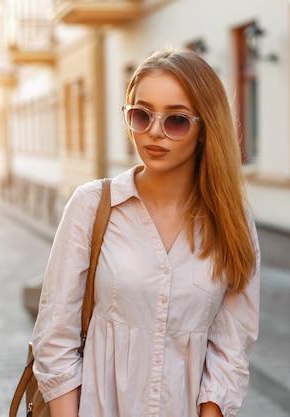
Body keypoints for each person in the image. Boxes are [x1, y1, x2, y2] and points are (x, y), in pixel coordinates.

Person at [32, 47, 260, 417]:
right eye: (141, 115)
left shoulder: (233, 222)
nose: (154, 131)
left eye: (177, 120)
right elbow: (55, 335)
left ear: (205, 129)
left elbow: (232, 345)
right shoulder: (91, 206)